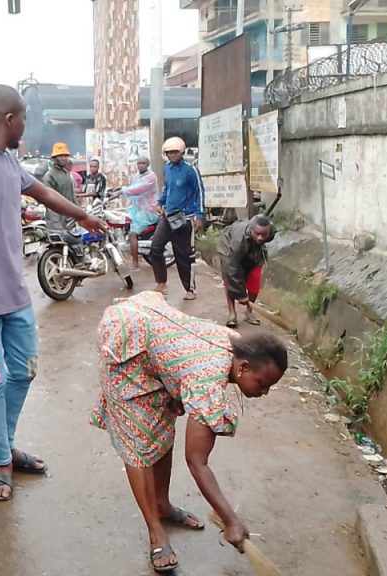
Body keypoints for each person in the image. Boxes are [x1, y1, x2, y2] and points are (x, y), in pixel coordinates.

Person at [0, 85, 105, 502]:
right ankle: (1, 461)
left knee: (25, 369)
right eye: (25, 119)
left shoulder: (9, 159)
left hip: (14, 292)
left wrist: (83, 216)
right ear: (10, 120)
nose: (26, 126)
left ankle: (4, 445)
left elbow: (43, 193)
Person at [91, 291, 288, 573]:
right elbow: (197, 461)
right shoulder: (208, 376)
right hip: (126, 347)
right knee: (137, 443)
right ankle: (155, 530)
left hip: (153, 342)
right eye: (262, 384)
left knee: (160, 430)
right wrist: (230, 519)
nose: (264, 392)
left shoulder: (236, 346)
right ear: (243, 368)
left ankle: (162, 505)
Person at [152, 136, 204, 300]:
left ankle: (190, 289)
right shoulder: (167, 168)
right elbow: (167, 189)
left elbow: (200, 193)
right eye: (169, 153)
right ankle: (161, 283)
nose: (172, 155)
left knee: (183, 255)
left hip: (185, 218)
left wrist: (199, 215)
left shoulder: (190, 170)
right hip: (168, 216)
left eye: (175, 152)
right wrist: (160, 202)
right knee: (155, 248)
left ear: (181, 152)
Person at [219, 215, 276, 328]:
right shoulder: (238, 240)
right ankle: (232, 314)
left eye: (263, 235)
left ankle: (249, 313)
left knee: (255, 281)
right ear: (251, 230)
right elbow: (232, 268)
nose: (260, 237)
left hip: (254, 250)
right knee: (230, 280)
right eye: (257, 234)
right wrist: (240, 294)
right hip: (229, 248)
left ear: (269, 232)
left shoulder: (271, 232)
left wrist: (246, 298)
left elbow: (261, 239)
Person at [120, 156, 160, 271]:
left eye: (143, 163)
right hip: (137, 208)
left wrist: (122, 191)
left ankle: (135, 263)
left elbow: (139, 189)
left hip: (148, 210)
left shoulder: (151, 176)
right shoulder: (136, 176)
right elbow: (132, 189)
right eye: (139, 163)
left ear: (147, 164)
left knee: (132, 234)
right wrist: (117, 191)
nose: (141, 165)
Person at [42, 142, 75, 230]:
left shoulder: (66, 173)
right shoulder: (49, 176)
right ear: (54, 158)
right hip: (57, 221)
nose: (63, 158)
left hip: (70, 218)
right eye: (60, 156)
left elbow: (72, 196)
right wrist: (57, 225)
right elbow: (50, 202)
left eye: (65, 156)